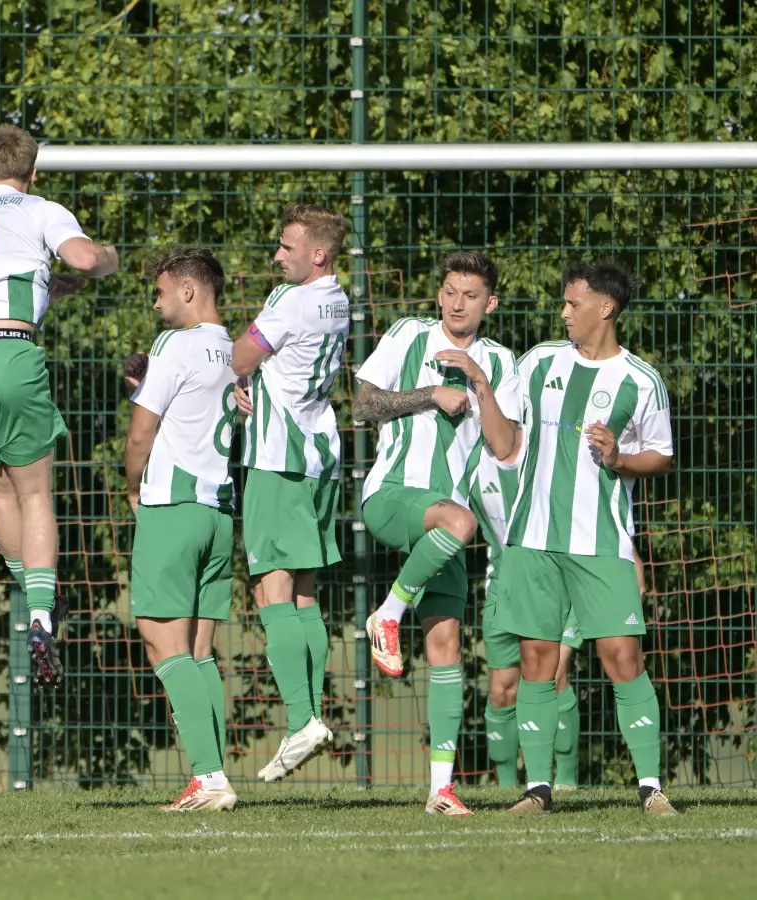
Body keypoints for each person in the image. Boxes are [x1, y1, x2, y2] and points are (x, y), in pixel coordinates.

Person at [0, 124, 120, 684]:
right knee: (35, 494)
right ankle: (41, 617)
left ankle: (33, 600)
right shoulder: (41, 208)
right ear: (33, 174)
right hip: (10, 356)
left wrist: (47, 288)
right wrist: (109, 258)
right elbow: (82, 258)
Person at [496, 262, 677, 815]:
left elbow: (662, 456)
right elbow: (503, 434)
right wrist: (480, 391)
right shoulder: (538, 363)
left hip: (602, 540)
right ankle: (538, 790)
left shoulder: (641, 381)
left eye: (574, 303)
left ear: (606, 308)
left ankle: (651, 787)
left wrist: (619, 457)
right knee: (536, 656)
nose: (564, 312)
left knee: (621, 655)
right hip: (531, 534)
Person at [350, 251, 520, 815]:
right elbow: (362, 404)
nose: (457, 303)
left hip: (447, 526)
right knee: (460, 520)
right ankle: (388, 614)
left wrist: (478, 385)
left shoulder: (501, 360)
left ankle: (440, 790)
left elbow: (504, 447)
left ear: (490, 303)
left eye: (471, 295)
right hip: (394, 496)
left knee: (447, 645)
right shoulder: (409, 334)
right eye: (450, 290)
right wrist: (429, 395)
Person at [228, 204, 350, 783]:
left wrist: (243, 379)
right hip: (321, 453)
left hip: (278, 457)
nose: (277, 256)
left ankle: (302, 719)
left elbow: (240, 355)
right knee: (304, 595)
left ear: (316, 254)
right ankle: (311, 716)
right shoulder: (339, 299)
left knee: (270, 587)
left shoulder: (290, 301)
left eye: (286, 246)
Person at [122, 249, 239, 811]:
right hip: (218, 510)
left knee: (161, 641)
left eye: (162, 290)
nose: (157, 300)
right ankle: (213, 773)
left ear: (190, 291)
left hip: (173, 505)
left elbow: (142, 432)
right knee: (199, 652)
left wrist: (130, 484)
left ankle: (209, 777)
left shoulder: (175, 345)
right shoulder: (232, 347)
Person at [470, 437, 651, 793]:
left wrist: (630, 552)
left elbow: (598, 501)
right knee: (500, 691)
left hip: (563, 577)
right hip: (504, 586)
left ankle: (566, 780)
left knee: (556, 673)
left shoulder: (552, 444)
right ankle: (507, 788)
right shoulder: (472, 457)